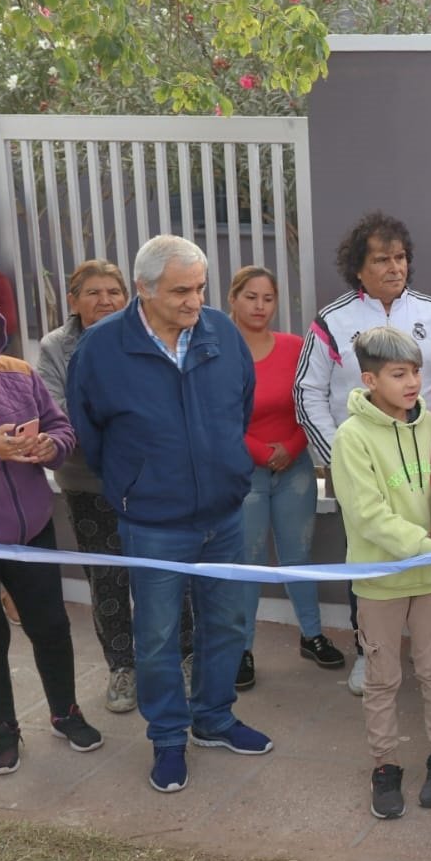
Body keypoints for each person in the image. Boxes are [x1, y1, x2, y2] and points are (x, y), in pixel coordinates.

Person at [68, 235, 273, 794]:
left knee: (226, 623)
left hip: (224, 515)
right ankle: (166, 738)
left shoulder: (221, 332)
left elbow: (241, 406)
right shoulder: (101, 348)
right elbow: (89, 431)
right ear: (143, 288)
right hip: (152, 522)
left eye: (200, 287)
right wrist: (135, 483)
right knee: (157, 636)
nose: (194, 301)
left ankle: (214, 718)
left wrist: (226, 468)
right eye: (181, 290)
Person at [294, 211, 431, 695]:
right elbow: (307, 392)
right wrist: (339, 458)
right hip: (360, 463)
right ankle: (370, 652)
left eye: (401, 257)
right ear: (358, 268)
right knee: (369, 549)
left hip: (424, 464)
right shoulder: (332, 320)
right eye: (382, 259)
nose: (395, 267)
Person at [36, 259, 192, 714]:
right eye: (93, 293)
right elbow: (56, 412)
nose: (105, 301)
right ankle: (122, 667)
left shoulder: (147, 334)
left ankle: (183, 657)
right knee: (107, 578)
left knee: (168, 572)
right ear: (73, 301)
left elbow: (167, 404)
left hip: (151, 481)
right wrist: (123, 431)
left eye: (113, 292)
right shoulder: (56, 347)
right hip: (89, 481)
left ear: (129, 296)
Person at [330, 326, 431, 820]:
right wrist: (430, 548)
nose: (412, 383)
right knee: (382, 678)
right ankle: (384, 765)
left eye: (416, 373)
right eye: (398, 374)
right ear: (369, 379)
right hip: (380, 580)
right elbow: (368, 516)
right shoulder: (351, 438)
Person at [0, 290, 101, 775]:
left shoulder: (20, 374)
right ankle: (2, 729)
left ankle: (65, 712)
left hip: (33, 534)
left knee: (51, 627)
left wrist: (51, 446)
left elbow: (60, 426)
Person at [228, 266, 342, 689]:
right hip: (245, 472)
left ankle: (312, 636)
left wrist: (292, 448)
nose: (260, 306)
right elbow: (218, 416)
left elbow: (312, 403)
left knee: (299, 556)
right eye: (251, 297)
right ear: (233, 299)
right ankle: (241, 648)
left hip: (294, 468)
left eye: (268, 298)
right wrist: (261, 453)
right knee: (248, 561)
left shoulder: (296, 347)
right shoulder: (220, 352)